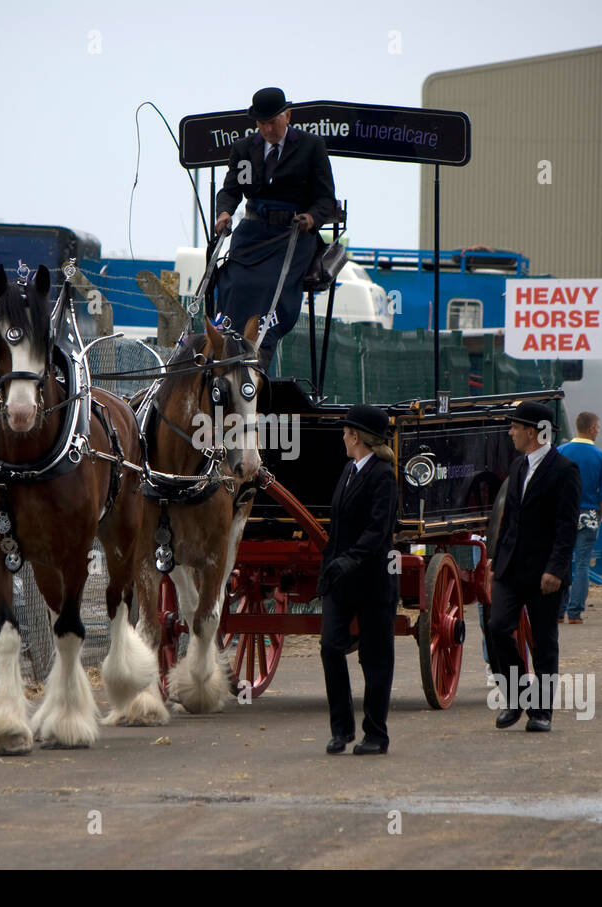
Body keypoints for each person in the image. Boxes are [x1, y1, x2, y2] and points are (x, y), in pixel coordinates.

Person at [214, 87, 338, 373]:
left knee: (271, 286)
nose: (267, 129)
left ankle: (260, 349)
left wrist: (311, 218)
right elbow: (233, 189)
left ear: (287, 116)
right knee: (234, 282)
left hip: (293, 235)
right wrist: (224, 213)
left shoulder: (310, 147)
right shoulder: (245, 150)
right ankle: (228, 346)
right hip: (253, 233)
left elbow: (325, 198)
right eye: (261, 123)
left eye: (272, 122)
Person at [487, 401, 580, 732]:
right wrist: (495, 563)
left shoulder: (565, 470)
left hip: (545, 573)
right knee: (497, 627)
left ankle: (541, 712)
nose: (510, 432)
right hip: (511, 568)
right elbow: (508, 520)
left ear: (532, 431)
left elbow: (567, 526)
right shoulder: (517, 467)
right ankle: (516, 695)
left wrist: (555, 569)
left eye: (515, 427)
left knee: (543, 642)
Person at [316, 404, 397, 756]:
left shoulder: (383, 476)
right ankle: (341, 729)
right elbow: (338, 528)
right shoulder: (348, 470)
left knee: (375, 657)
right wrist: (330, 566)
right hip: (340, 579)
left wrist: (348, 561)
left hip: (373, 581)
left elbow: (378, 531)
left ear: (358, 437)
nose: (343, 437)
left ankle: (376, 733)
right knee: (330, 647)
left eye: (347, 432)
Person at [557, 411, 602, 624]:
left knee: (561, 561)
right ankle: (575, 612)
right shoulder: (600, 457)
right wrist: (599, 516)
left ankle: (558, 610)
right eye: (597, 428)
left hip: (563, 515)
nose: (598, 431)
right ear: (590, 429)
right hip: (588, 515)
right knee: (581, 564)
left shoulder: (560, 452)